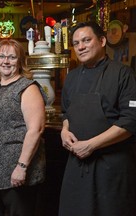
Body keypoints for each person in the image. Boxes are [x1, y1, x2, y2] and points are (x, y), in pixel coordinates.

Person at [59, 21, 136, 216]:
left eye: (86, 40)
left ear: (102, 41)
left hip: (110, 166)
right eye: (76, 43)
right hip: (76, 165)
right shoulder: (71, 77)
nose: (81, 47)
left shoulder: (123, 74)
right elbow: (66, 113)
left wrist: (91, 145)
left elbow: (130, 120)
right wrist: (64, 131)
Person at [0, 39, 47, 216]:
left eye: (12, 57)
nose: (6, 61)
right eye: (2, 56)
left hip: (14, 167)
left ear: (20, 61)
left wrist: (22, 166)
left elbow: (35, 130)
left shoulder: (28, 88)